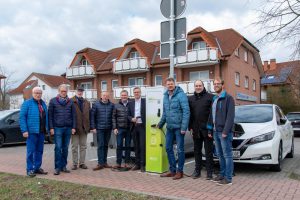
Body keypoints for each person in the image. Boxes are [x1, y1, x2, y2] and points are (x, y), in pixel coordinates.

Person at [158, 77, 190, 180]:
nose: (170, 85)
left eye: (171, 84)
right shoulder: (165, 96)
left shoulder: (181, 95)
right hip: (170, 127)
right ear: (166, 85)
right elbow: (165, 113)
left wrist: (184, 127)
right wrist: (161, 123)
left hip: (179, 127)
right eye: (168, 84)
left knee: (180, 150)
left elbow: (186, 112)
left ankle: (179, 171)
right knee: (168, 148)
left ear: (174, 84)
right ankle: (172, 170)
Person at [207, 77, 235, 185]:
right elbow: (211, 115)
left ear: (223, 85)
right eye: (214, 84)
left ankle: (228, 179)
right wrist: (210, 129)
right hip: (215, 131)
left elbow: (230, 116)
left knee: (227, 155)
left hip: (224, 132)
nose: (216, 85)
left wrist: (225, 131)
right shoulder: (215, 99)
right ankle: (222, 174)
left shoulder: (228, 98)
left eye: (218, 83)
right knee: (220, 155)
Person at [20, 87, 49, 177]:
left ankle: (37, 168)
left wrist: (47, 128)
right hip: (31, 131)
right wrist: (24, 130)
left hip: (41, 131)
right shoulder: (27, 103)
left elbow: (45, 117)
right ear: (32, 93)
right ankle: (30, 169)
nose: (38, 94)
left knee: (39, 151)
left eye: (40, 93)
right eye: (36, 93)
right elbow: (22, 117)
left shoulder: (43, 104)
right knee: (31, 151)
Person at [188, 80, 214, 180]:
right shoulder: (190, 99)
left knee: (208, 152)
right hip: (195, 130)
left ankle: (209, 173)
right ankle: (197, 171)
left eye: (200, 85)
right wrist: (189, 127)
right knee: (197, 151)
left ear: (203, 86)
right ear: (194, 87)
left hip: (207, 130)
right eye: (196, 86)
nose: (198, 87)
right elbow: (190, 114)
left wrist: (210, 129)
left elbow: (212, 115)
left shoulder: (210, 97)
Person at [49, 84, 76, 175]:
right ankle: (57, 167)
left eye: (65, 91)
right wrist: (51, 127)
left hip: (68, 128)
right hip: (58, 128)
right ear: (59, 91)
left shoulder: (70, 102)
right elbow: (50, 116)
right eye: (62, 91)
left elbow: (73, 116)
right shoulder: (53, 101)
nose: (63, 93)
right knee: (58, 148)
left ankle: (63, 166)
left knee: (65, 148)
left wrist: (73, 127)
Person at [90, 91, 114, 170]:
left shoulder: (112, 105)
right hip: (99, 128)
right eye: (104, 95)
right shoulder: (96, 104)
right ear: (101, 96)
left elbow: (113, 117)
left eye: (106, 96)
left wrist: (113, 127)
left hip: (108, 128)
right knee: (100, 145)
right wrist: (93, 127)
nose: (105, 97)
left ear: (108, 97)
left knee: (106, 145)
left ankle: (105, 162)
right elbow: (92, 117)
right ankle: (100, 163)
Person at [71, 86, 90, 170]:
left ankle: (82, 163)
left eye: (81, 91)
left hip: (84, 128)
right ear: (75, 91)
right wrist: (72, 127)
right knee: (74, 147)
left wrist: (90, 126)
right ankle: (75, 164)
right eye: (78, 91)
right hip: (75, 128)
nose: (80, 92)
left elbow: (90, 114)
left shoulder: (87, 102)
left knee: (83, 146)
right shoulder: (71, 101)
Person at [128, 87, 146, 172]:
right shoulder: (130, 103)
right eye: (135, 92)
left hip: (142, 126)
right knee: (136, 146)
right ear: (133, 93)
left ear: (140, 93)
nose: (136, 94)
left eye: (138, 92)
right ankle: (137, 164)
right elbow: (127, 115)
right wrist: (131, 119)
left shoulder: (145, 102)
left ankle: (143, 164)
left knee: (142, 146)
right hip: (134, 126)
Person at [112, 90, 131, 169]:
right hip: (119, 129)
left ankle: (126, 162)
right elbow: (113, 117)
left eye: (125, 95)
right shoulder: (116, 105)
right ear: (120, 96)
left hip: (129, 129)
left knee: (128, 146)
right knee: (119, 145)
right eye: (122, 95)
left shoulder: (131, 104)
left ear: (127, 96)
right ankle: (118, 163)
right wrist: (115, 128)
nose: (124, 96)